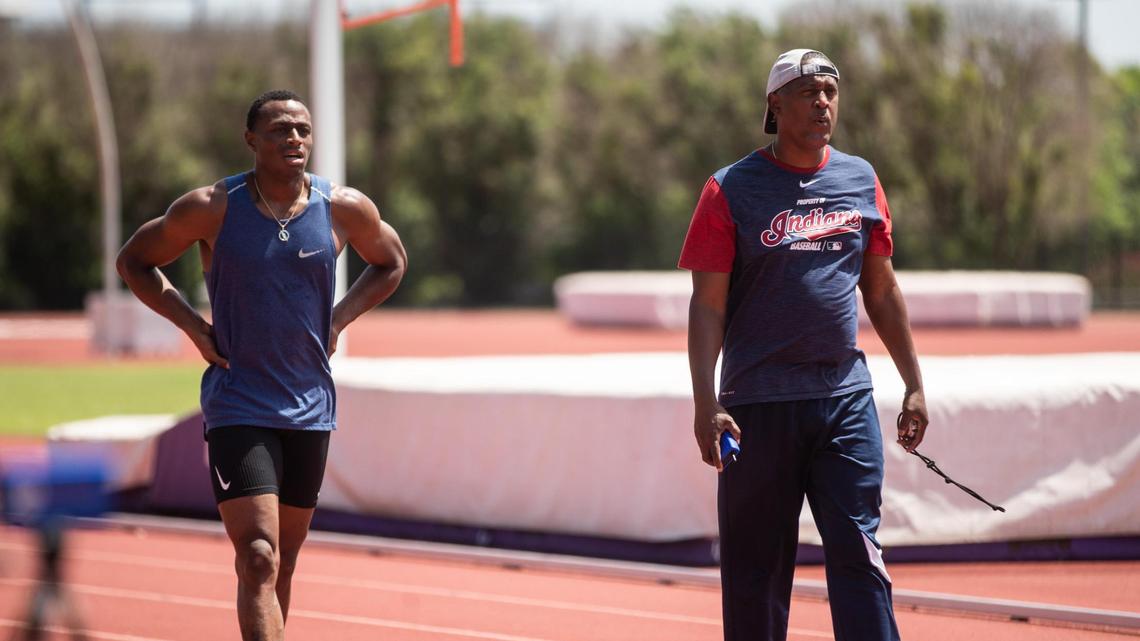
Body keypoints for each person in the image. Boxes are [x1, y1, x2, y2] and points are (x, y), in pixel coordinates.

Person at [116, 89, 407, 641]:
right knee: (258, 558)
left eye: (301, 129)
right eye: (278, 130)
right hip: (238, 402)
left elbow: (391, 262)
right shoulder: (211, 206)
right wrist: (193, 327)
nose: (293, 138)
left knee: (284, 564)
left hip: (308, 407)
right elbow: (134, 260)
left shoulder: (342, 207)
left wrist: (339, 320)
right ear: (251, 139)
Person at [679, 50, 928, 641]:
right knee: (755, 576)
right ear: (775, 103)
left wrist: (915, 383)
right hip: (757, 408)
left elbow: (883, 290)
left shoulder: (861, 179)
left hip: (844, 401)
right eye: (809, 91)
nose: (823, 103)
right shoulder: (729, 189)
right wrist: (704, 400)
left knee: (860, 559)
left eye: (831, 92)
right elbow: (707, 305)